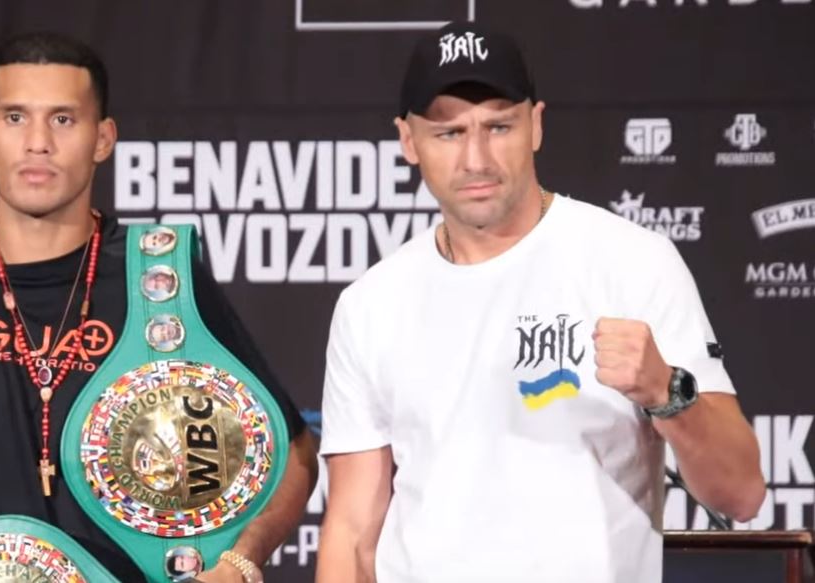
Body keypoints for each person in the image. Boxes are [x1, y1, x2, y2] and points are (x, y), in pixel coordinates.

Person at [0, 31, 318, 583]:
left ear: (103, 138)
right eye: (15, 117)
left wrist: (238, 563)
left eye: (63, 119)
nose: (37, 141)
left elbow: (294, 453)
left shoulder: (159, 279)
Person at [316, 22, 765, 583]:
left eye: (498, 125)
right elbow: (354, 531)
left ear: (536, 125)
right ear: (409, 141)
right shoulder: (370, 304)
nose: (476, 158)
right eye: (449, 133)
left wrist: (665, 393)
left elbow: (742, 493)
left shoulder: (632, 262)